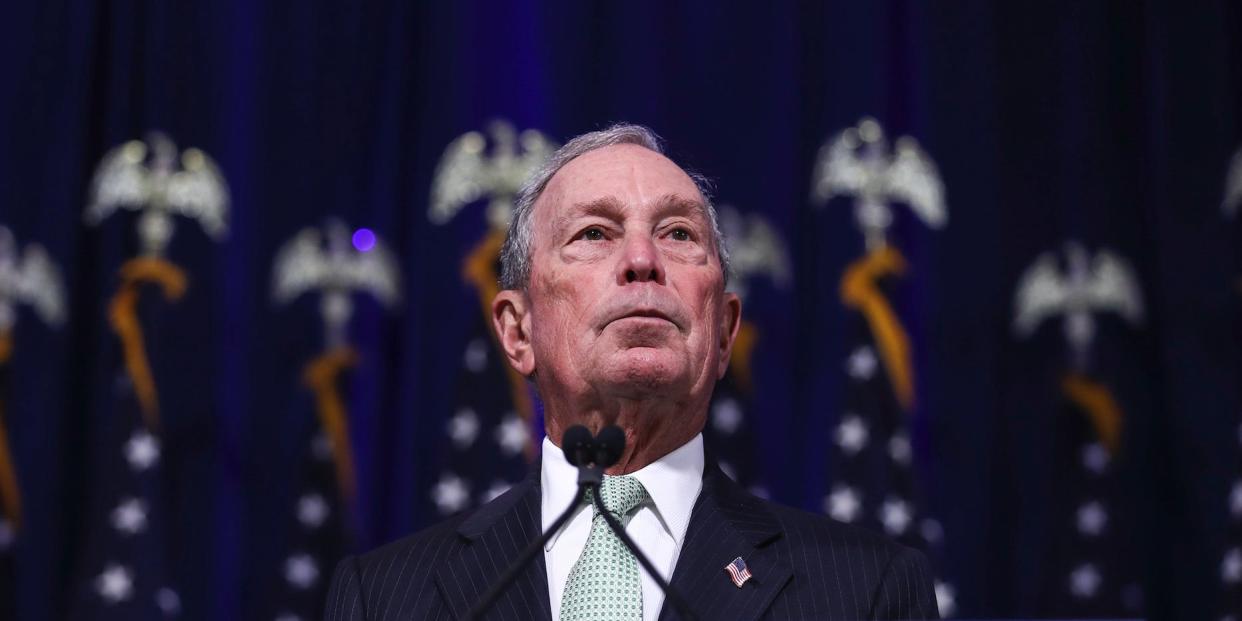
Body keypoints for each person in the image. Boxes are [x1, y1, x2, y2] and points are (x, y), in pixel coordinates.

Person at [323, 124, 939, 620]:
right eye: (594, 233)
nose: (643, 260)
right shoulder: (383, 600)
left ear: (724, 330)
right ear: (516, 331)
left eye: (676, 233)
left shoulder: (867, 593)